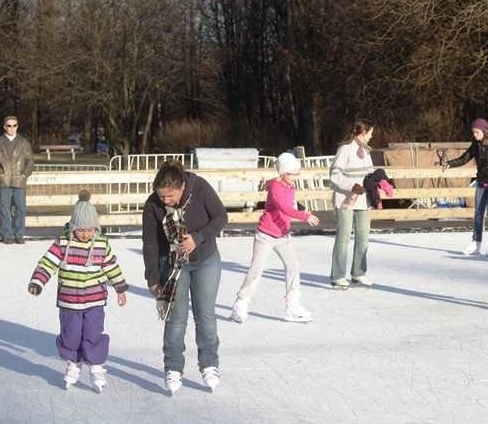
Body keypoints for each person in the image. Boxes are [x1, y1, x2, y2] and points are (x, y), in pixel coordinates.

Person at [28, 190, 128, 392]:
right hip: (69, 301)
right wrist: (38, 281)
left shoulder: (101, 243)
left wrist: (120, 287)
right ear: (73, 227)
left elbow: (111, 265)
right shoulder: (63, 243)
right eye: (81, 230)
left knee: (93, 333)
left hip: (94, 300)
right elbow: (48, 262)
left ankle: (97, 366)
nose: (85, 234)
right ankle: (73, 363)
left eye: (90, 229)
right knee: (71, 335)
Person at [142, 160, 227, 395]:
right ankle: (173, 368)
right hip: (174, 265)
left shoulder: (199, 188)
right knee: (176, 318)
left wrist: (197, 238)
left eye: (170, 196)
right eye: (161, 196)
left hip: (207, 260)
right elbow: (149, 242)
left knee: (205, 316)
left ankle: (209, 364)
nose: (165, 201)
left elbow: (220, 217)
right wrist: (152, 278)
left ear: (181, 187)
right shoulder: (152, 205)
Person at [230, 152, 320, 323]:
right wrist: (304, 216)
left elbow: (289, 207)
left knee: (293, 266)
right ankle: (240, 303)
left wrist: (299, 211)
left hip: (282, 235)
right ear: (284, 172)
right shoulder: (277, 188)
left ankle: (292, 305)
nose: (296, 176)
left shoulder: (290, 186)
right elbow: (284, 208)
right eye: (293, 173)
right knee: (256, 269)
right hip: (265, 234)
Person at [441, 118, 488, 256]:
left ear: (484, 131)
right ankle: (476, 242)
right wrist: (449, 163)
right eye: (473, 132)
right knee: (478, 213)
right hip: (481, 182)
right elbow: (464, 158)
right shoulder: (475, 145)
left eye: (477, 132)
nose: (474, 135)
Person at [329, 119, 376, 290]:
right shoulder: (345, 150)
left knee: (363, 237)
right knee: (344, 237)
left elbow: (369, 175)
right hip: (345, 200)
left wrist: (379, 180)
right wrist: (351, 187)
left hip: (364, 201)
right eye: (370, 133)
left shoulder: (366, 151)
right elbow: (334, 176)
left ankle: (358, 273)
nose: (371, 137)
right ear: (362, 133)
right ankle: (338, 276)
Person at [0, 116, 34, 244]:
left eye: (14, 125)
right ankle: (7, 235)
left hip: (19, 180)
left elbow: (30, 160)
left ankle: (19, 234)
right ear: (4, 127)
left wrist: (25, 174)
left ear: (17, 126)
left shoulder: (23, 142)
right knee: (4, 209)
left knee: (20, 209)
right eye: (9, 125)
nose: (11, 128)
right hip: (4, 180)